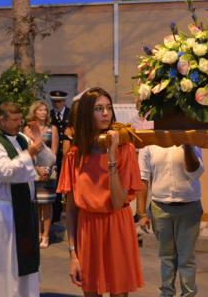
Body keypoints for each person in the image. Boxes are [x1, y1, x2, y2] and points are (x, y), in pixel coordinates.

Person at [57, 87, 144, 296]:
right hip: (87, 229)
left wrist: (111, 156)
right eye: (98, 109)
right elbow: (70, 210)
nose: (106, 113)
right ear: (87, 114)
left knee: (119, 292)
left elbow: (118, 201)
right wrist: (73, 254)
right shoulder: (74, 156)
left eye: (108, 108)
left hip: (117, 226)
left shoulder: (125, 150)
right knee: (91, 292)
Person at [0, 102, 43, 296]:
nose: (18, 123)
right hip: (3, 211)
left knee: (23, 261)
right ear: (2, 120)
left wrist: (38, 142)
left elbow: (40, 160)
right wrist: (30, 152)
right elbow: (5, 172)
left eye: (20, 119)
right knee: (4, 264)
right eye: (14, 120)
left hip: (23, 207)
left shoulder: (21, 138)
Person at [137, 144, 204, 297]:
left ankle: (188, 294)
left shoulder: (191, 140)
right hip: (160, 208)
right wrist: (141, 213)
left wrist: (187, 145)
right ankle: (167, 293)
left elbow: (196, 172)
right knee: (166, 257)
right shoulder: (150, 143)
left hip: (189, 207)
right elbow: (143, 178)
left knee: (186, 258)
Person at [24, 100, 58, 249]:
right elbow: (28, 152)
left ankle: (46, 235)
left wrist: (48, 170)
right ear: (34, 112)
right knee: (35, 205)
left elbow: (55, 152)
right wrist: (37, 168)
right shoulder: (27, 129)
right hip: (33, 170)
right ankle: (37, 233)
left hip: (49, 172)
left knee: (47, 205)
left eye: (45, 110)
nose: (44, 112)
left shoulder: (53, 129)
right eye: (40, 110)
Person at [50, 90, 70, 223]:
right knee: (56, 184)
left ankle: (69, 211)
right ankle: (56, 215)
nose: (57, 104)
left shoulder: (71, 114)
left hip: (69, 154)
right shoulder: (50, 115)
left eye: (59, 101)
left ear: (64, 101)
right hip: (55, 155)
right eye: (54, 101)